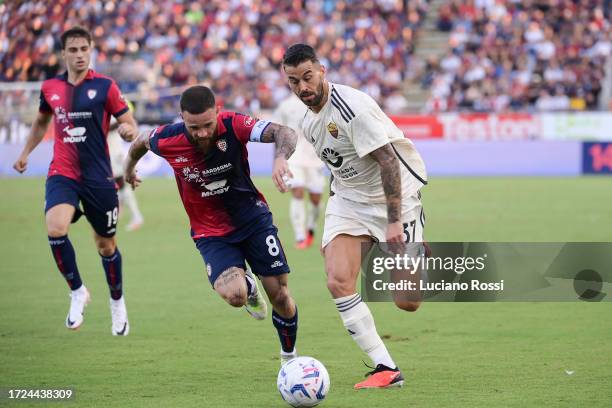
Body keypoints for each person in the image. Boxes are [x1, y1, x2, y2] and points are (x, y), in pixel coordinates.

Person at [282, 44, 428, 389]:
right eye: (294, 81)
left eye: (307, 77)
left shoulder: (351, 109)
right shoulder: (309, 121)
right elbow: (340, 165)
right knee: (337, 280)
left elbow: (389, 161)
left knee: (408, 302)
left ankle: (417, 246)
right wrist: (337, 208)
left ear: (322, 71)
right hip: (349, 201)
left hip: (397, 201)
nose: (303, 87)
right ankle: (385, 368)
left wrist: (393, 222)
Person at [124, 85, 300, 364]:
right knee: (235, 296)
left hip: (253, 219)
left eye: (207, 125)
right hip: (211, 232)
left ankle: (289, 358)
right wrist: (128, 170)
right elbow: (139, 144)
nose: (203, 133)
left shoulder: (233, 124)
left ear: (218, 111)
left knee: (280, 295)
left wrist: (280, 158)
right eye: (194, 127)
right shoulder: (167, 139)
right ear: (182, 118)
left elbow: (284, 132)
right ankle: (249, 288)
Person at [12, 26, 138, 335]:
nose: (80, 54)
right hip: (63, 173)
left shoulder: (106, 87)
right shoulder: (50, 88)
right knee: (55, 227)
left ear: (91, 49)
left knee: (106, 245)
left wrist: (128, 131)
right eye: (74, 50)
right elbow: (42, 122)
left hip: (98, 177)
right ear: (64, 53)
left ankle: (117, 302)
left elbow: (129, 122)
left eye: (85, 49)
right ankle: (77, 291)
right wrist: (26, 152)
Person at [273, 93, 325, 249]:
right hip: (294, 157)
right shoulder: (286, 105)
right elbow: (276, 130)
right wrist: (279, 156)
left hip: (315, 158)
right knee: (297, 191)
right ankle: (300, 236)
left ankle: (311, 227)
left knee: (316, 199)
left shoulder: (319, 100)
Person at [108, 117, 144, 231]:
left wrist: (101, 128)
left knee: (119, 182)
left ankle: (136, 216)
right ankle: (120, 211)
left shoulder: (110, 109)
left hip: (114, 152)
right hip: (107, 152)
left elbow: (121, 121)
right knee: (115, 184)